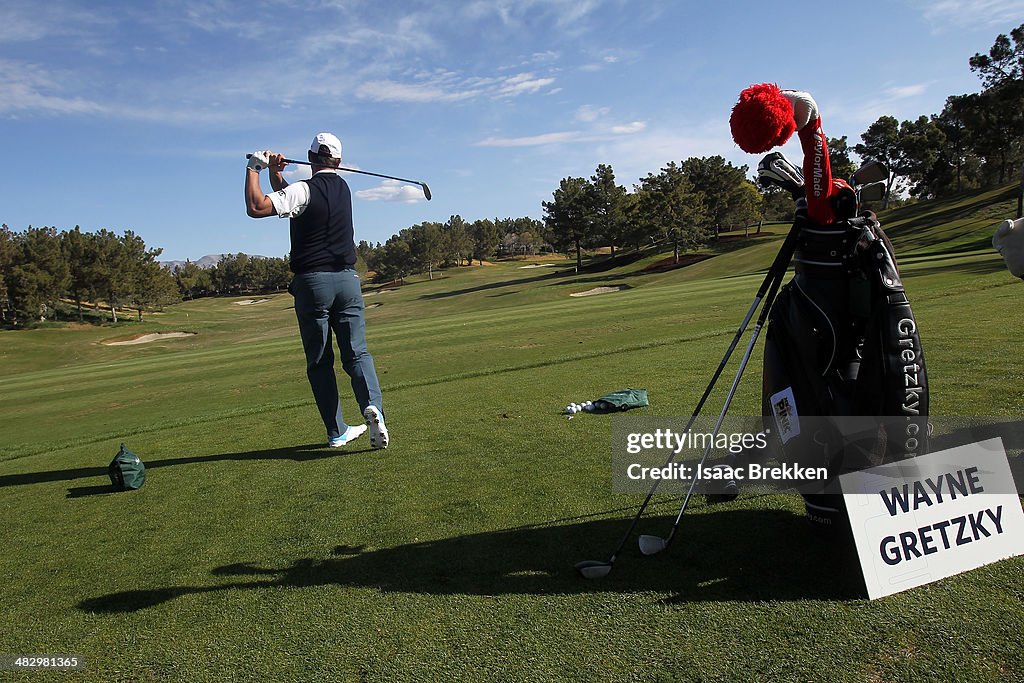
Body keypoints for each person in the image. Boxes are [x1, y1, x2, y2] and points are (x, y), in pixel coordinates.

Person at [244, 133, 389, 449]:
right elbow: (297, 204)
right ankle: (373, 406)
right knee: (357, 353)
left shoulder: (303, 190)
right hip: (348, 282)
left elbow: (257, 207)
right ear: (338, 161)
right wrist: (276, 175)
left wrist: (255, 167)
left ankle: (337, 431)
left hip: (313, 285)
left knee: (320, 361)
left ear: (310, 158)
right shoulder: (343, 190)